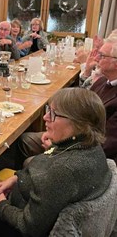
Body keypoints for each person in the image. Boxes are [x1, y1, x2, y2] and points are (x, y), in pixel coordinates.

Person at [0, 87, 111, 237]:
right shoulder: (89, 146)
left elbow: (28, 227)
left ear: (79, 124)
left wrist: (1, 204)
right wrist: (17, 178)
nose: (45, 117)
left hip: (27, 224)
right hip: (33, 202)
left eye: (54, 114)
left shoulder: (65, 169)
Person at [15, 30, 117, 168]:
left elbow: (103, 146)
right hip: (73, 134)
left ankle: (34, 181)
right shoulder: (103, 80)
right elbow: (78, 107)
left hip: (84, 155)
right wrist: (54, 132)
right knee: (25, 139)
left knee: (28, 157)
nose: (97, 58)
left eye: (102, 55)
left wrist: (58, 146)